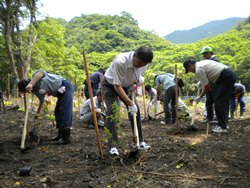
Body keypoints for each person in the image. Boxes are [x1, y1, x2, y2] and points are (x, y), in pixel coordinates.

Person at [102, 46, 153, 156]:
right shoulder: (120, 61)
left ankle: (140, 141)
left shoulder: (144, 63)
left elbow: (137, 76)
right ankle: (113, 146)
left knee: (136, 111)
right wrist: (130, 103)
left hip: (127, 86)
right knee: (112, 112)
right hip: (111, 85)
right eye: (139, 63)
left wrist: (138, 80)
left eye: (143, 65)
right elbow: (117, 85)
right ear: (135, 56)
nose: (140, 66)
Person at [18, 70, 74, 144]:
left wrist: (30, 84)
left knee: (65, 111)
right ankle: (60, 136)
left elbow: (41, 73)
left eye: (26, 90)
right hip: (60, 93)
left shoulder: (35, 77)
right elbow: (42, 101)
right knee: (57, 112)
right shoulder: (36, 91)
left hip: (65, 86)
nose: (28, 92)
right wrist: (37, 114)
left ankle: (65, 139)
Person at [183, 59, 236, 133]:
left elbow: (208, 87)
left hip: (225, 77)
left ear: (190, 65)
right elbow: (207, 86)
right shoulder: (202, 64)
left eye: (189, 69)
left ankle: (223, 127)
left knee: (219, 101)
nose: (190, 72)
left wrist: (200, 96)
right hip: (228, 75)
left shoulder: (198, 69)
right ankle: (223, 124)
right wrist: (200, 95)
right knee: (222, 101)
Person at [200, 46, 220, 122]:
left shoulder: (215, 61)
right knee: (209, 102)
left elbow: (214, 74)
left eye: (205, 54)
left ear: (209, 53)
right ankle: (209, 118)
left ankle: (219, 119)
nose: (203, 56)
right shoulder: (209, 61)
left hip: (215, 85)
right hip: (209, 85)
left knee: (217, 102)